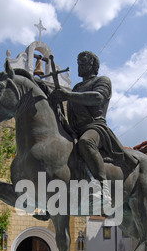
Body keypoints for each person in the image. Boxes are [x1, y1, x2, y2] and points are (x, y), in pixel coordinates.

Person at [51, 51, 138, 185]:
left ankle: (101, 186)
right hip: (75, 130)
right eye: (78, 62)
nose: (79, 65)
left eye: (83, 61)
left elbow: (98, 97)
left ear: (92, 64)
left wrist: (67, 95)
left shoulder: (102, 80)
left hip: (95, 127)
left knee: (86, 142)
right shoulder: (76, 88)